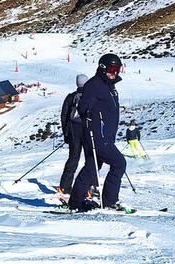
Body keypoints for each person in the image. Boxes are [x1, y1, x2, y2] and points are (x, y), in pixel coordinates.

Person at [68, 53, 126, 212]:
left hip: (105, 136)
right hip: (97, 137)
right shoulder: (94, 85)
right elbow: (83, 106)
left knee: (91, 168)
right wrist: (87, 112)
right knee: (119, 163)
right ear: (102, 68)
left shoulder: (109, 85)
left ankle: (75, 203)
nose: (115, 73)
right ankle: (109, 201)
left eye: (118, 69)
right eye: (112, 69)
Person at [58, 74, 89, 194]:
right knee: (90, 160)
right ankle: (90, 186)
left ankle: (65, 186)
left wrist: (66, 133)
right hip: (87, 132)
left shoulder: (71, 97)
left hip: (73, 133)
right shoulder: (90, 96)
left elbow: (64, 116)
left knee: (73, 158)